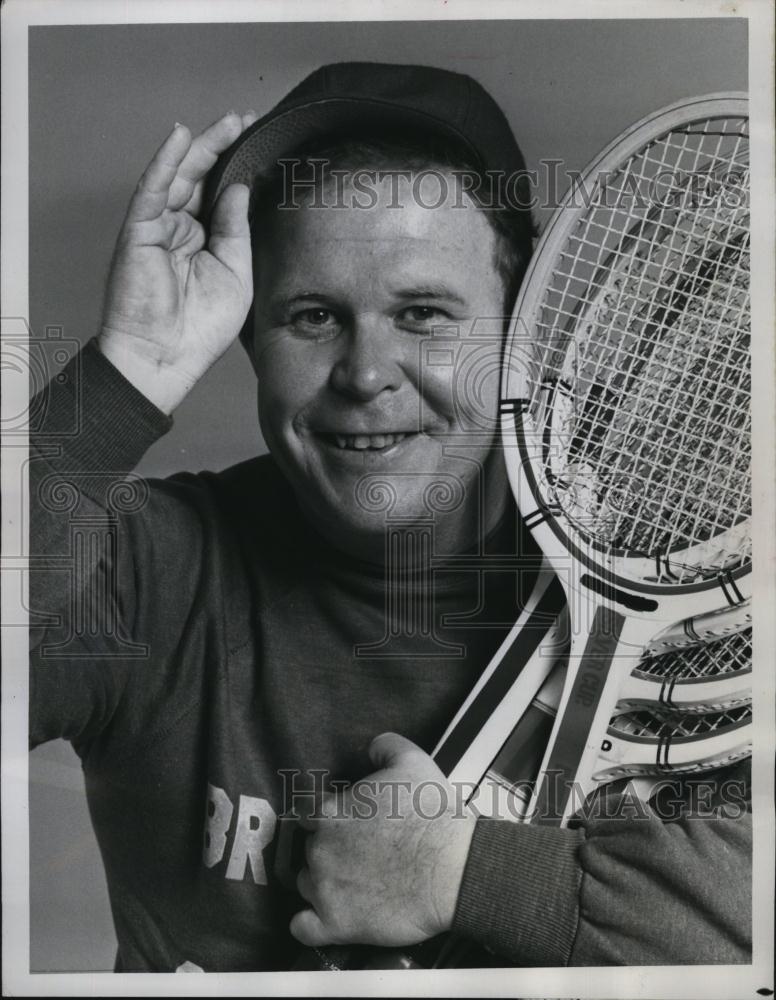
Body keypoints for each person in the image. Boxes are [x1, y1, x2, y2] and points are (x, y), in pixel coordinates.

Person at [29, 61, 751, 973]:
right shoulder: (146, 571)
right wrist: (121, 375)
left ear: (519, 322)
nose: (366, 374)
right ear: (246, 333)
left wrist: (467, 874)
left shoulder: (674, 585)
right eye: (313, 316)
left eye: (422, 312)